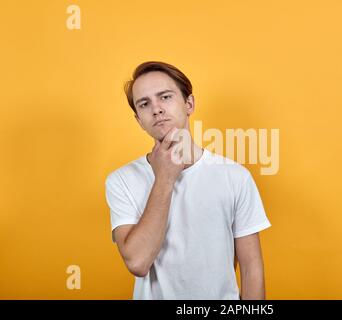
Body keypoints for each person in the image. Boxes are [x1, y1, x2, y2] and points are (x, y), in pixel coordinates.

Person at [105, 61, 271, 299]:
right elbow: (138, 262)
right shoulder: (121, 180)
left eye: (165, 97)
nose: (157, 109)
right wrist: (165, 178)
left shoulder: (235, 177)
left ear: (189, 104)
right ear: (139, 120)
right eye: (145, 104)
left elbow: (251, 269)